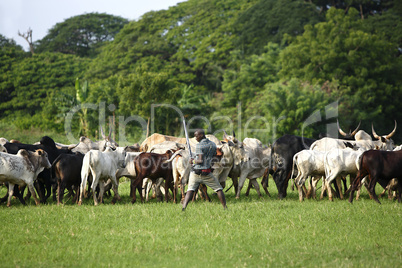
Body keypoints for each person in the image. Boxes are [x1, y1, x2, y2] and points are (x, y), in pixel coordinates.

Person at [182, 129, 227, 211]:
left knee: (190, 190)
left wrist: (192, 160)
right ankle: (225, 207)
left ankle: (184, 208)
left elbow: (200, 160)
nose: (195, 138)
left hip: (196, 172)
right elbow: (214, 157)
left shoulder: (199, 145)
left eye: (196, 136)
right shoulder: (213, 144)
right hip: (207, 172)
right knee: (219, 189)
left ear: (201, 135)